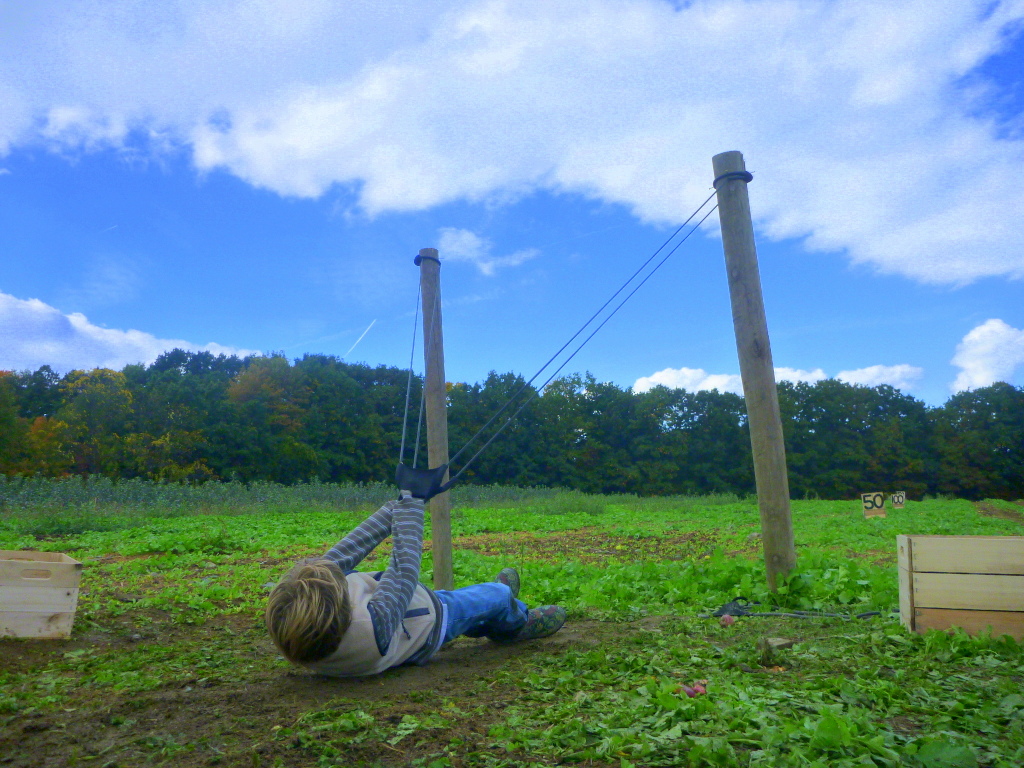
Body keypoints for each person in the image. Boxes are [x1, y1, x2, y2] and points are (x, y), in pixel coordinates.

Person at [265, 491, 567, 677]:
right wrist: (412, 505)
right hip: (432, 620)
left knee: (477, 605)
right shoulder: (373, 624)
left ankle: (488, 616)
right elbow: (404, 567)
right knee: (496, 594)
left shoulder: (294, 622)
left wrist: (394, 506)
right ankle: (514, 624)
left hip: (410, 613)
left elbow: (341, 556)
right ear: (344, 610)